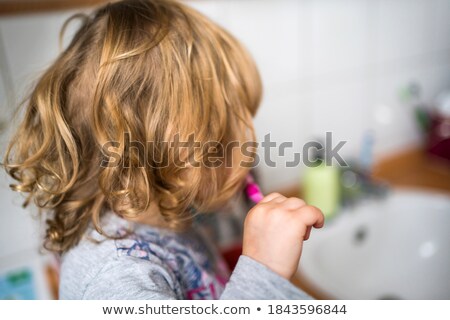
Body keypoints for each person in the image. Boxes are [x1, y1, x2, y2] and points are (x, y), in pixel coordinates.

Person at [3, 0, 324, 299]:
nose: (246, 153)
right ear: (163, 151)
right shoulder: (115, 277)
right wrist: (263, 270)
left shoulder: (165, 218)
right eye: (223, 143)